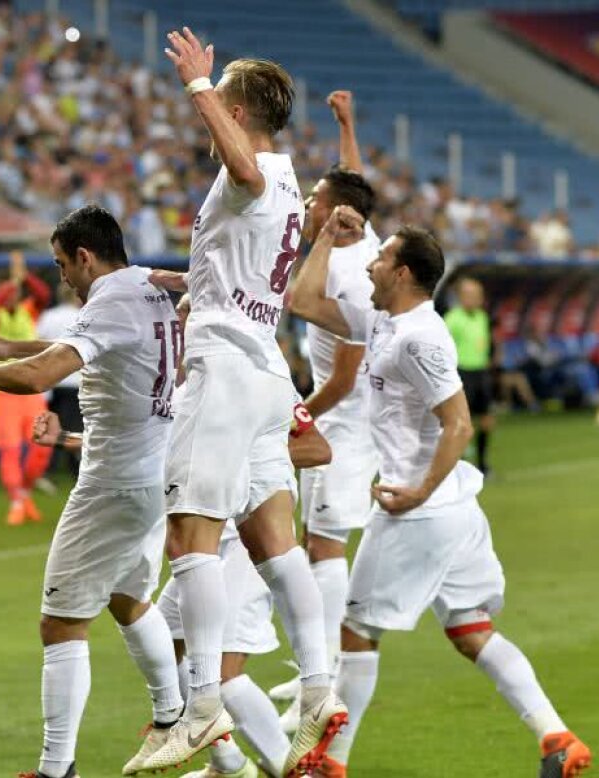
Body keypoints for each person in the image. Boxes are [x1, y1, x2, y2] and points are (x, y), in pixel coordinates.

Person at [289, 206, 592, 778]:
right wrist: (327, 235)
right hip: (455, 509)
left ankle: (330, 764)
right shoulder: (383, 322)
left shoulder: (420, 338)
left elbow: (459, 423)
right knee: (470, 629)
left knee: (357, 631)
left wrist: (419, 492)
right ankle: (556, 736)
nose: (371, 265)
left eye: (381, 258)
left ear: (403, 273)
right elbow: (302, 302)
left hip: (419, 510)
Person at [146, 29, 346, 776]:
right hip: (265, 372)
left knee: (189, 535)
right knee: (274, 544)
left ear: (234, 110)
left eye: (219, 101)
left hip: (226, 370)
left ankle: (201, 705)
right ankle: (319, 686)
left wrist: (197, 85)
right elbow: (244, 265)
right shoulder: (292, 181)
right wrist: (183, 284)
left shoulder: (253, 172)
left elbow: (242, 168)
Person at [0, 204, 185, 778]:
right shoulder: (146, 288)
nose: (62, 277)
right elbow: (88, 349)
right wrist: (11, 348)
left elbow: (40, 378)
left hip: (112, 483)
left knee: (61, 622)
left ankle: (56, 769)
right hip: (153, 473)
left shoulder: (112, 301)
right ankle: (173, 716)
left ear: (85, 257)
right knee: (127, 597)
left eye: (61, 264)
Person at [156, 292, 331, 778]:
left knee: (225, 674)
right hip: (204, 549)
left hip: (248, 547)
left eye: (187, 319)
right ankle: (227, 763)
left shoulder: (256, 378)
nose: (181, 330)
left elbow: (317, 448)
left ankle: (292, 770)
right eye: (179, 320)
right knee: (163, 644)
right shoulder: (182, 391)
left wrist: (247, 451)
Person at [270, 89, 381, 720]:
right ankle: (314, 664)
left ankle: (328, 679)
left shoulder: (348, 273)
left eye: (314, 199)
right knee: (315, 540)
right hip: (337, 420)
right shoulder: (360, 239)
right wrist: (347, 125)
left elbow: (343, 373)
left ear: (337, 214)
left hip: (347, 421)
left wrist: (300, 416)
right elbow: (353, 183)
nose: (307, 204)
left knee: (327, 544)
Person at [0, 251, 53, 525]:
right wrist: (13, 281)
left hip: (30, 388)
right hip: (3, 391)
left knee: (42, 445)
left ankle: (25, 492)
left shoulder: (27, 310)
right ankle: (17, 502)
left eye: (13, 292)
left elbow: (43, 294)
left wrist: (25, 277)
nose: (10, 295)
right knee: (10, 450)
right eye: (5, 292)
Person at [445, 278, 495, 474]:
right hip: (461, 373)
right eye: (471, 295)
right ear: (461, 297)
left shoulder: (482, 317)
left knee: (487, 420)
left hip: (481, 372)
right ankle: (458, 466)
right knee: (461, 422)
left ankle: (483, 464)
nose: (475, 299)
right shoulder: (452, 319)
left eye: (478, 295)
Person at [34, 285, 84, 476]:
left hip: (54, 381)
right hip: (77, 380)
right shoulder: (81, 316)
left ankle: (49, 466)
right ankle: (75, 466)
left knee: (53, 423)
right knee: (75, 426)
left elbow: (37, 343)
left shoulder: (48, 316)